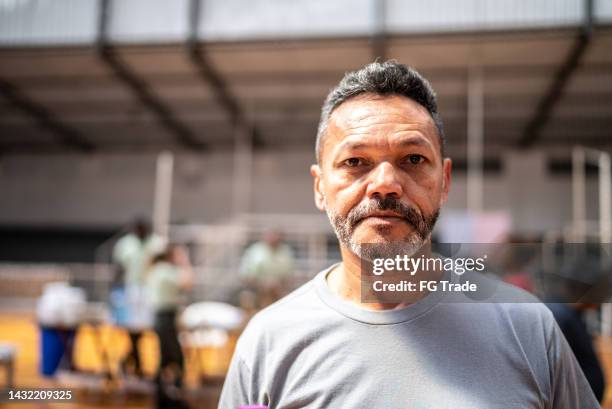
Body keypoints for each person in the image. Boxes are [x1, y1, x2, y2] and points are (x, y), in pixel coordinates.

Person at [218, 61, 598, 408]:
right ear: (320, 187)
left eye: (413, 159)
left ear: (444, 181)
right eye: (355, 162)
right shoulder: (269, 342)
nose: (385, 185)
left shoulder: (527, 327)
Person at [112, 218, 165, 377]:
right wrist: (115, 290)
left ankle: (133, 358)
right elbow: (119, 267)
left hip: (151, 288)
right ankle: (135, 358)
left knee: (148, 326)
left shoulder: (157, 243)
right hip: (132, 287)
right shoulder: (126, 244)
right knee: (132, 326)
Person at [147, 244, 194, 409]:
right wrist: (185, 262)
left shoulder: (158, 269)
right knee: (176, 359)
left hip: (165, 317)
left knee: (166, 359)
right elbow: (188, 283)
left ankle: (164, 399)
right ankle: (170, 399)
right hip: (165, 317)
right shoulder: (165, 270)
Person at [239, 230, 295, 308]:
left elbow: (288, 275)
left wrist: (277, 285)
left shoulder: (285, 251)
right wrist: (263, 285)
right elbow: (246, 276)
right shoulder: (255, 251)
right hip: (256, 290)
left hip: (278, 290)